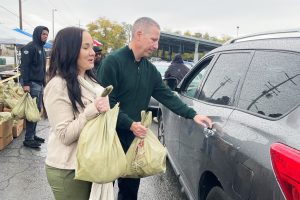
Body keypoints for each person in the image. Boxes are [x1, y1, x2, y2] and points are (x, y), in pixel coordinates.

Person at [98, 17, 212, 200]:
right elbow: (106, 104)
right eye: (154, 39)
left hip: (134, 140)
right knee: (102, 191)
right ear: (139, 34)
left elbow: (166, 95)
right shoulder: (113, 62)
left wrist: (193, 114)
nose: (156, 45)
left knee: (129, 192)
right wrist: (130, 124)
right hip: (110, 137)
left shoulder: (149, 69)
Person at [44, 27, 110, 200]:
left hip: (90, 164)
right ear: (69, 50)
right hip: (68, 170)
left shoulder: (90, 81)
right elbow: (65, 135)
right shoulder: (58, 85)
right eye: (85, 47)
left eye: (92, 47)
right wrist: (92, 111)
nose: (92, 52)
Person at [20, 25, 49, 148]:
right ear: (38, 34)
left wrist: (44, 83)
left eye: (47, 35)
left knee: (36, 110)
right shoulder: (29, 47)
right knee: (32, 110)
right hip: (31, 83)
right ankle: (28, 139)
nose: (45, 36)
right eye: (43, 34)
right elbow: (24, 67)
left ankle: (33, 135)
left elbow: (42, 68)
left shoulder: (41, 48)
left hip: (39, 84)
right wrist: (26, 83)